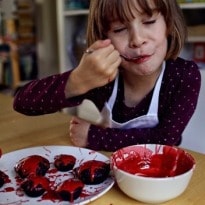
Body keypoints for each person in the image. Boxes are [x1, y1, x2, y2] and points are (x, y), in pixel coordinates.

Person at [13, 0, 201, 152]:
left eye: (149, 21)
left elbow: (165, 139)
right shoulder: (103, 79)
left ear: (168, 23)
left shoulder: (184, 76)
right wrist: (78, 80)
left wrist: (93, 137)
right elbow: (23, 102)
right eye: (119, 29)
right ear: (104, 37)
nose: (137, 40)